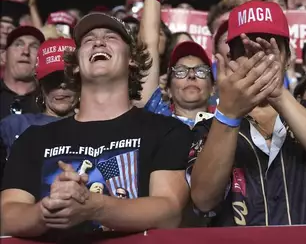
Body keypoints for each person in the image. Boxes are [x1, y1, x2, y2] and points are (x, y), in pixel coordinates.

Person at [0, 13, 192, 240]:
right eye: (88, 40)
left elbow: (169, 211)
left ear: (132, 59)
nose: (98, 42)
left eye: (111, 37)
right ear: (75, 66)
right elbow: (7, 215)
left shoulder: (165, 130)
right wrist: (45, 212)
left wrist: (95, 207)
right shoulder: (33, 139)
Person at [189, 0, 306, 226]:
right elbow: (203, 200)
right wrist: (229, 114)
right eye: (247, 51)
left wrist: (279, 95)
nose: (258, 60)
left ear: (288, 57)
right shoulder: (211, 127)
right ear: (230, 61)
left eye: (267, 49)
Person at [0, 38, 78, 153]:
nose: (62, 85)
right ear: (40, 83)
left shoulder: (96, 128)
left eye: (69, 78)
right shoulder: (13, 126)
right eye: (53, 78)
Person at [1, 26, 45, 120]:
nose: (25, 52)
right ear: (4, 56)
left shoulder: (50, 102)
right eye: (18, 44)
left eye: (34, 47)